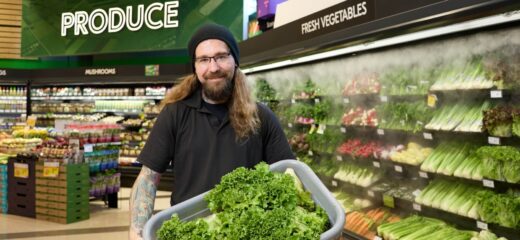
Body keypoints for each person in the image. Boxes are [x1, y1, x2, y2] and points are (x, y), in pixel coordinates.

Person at [129, 23, 295, 239]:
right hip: (188, 232)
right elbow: (149, 178)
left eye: (221, 56)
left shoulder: (261, 117)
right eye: (204, 59)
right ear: (195, 68)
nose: (213, 67)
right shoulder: (175, 114)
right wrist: (137, 231)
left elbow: (288, 177)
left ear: (235, 61)